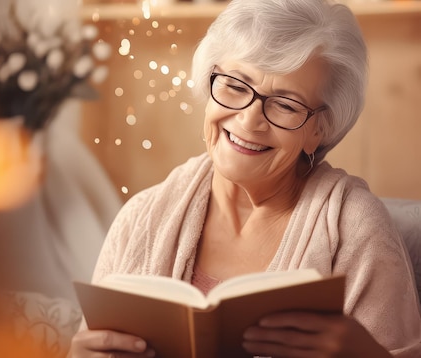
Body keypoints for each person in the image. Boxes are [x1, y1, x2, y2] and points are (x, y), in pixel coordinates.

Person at [68, 0, 421, 357]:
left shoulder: (357, 228)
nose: (250, 121)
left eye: (285, 104)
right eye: (236, 86)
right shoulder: (139, 217)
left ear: (319, 130)